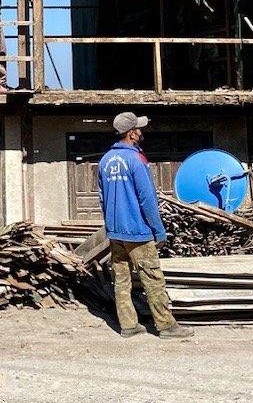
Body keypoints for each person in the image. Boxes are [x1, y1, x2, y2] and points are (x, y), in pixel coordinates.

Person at [97, 112, 193, 340]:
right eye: (138, 129)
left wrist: (111, 226)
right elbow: (147, 199)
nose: (141, 132)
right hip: (138, 231)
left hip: (116, 232)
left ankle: (128, 326)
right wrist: (158, 230)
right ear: (131, 134)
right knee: (153, 279)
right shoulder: (136, 160)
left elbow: (102, 198)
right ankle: (167, 326)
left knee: (121, 280)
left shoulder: (104, 160)